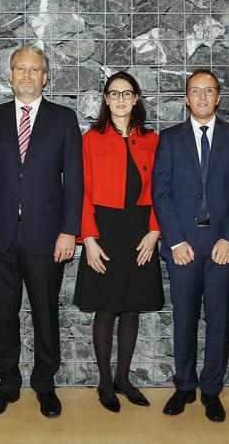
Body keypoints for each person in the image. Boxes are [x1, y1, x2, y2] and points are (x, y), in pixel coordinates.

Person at [0, 43, 83, 418]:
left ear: (45, 77)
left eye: (34, 69)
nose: (27, 75)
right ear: (10, 75)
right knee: (4, 312)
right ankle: (7, 383)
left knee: (45, 311)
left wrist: (69, 231)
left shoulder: (64, 119)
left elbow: (75, 180)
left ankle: (45, 383)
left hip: (47, 236)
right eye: (20, 68)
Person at [152, 69, 229, 422]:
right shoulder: (170, 138)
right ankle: (184, 386)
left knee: (218, 319)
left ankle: (211, 389)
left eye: (208, 91)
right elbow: (160, 192)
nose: (202, 97)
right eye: (195, 91)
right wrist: (175, 239)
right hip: (183, 244)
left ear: (218, 97)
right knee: (183, 318)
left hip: (222, 245)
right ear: (186, 97)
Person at [74, 71, 164, 413]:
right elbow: (81, 192)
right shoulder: (91, 139)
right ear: (106, 99)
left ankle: (123, 379)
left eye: (128, 94)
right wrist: (89, 240)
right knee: (107, 307)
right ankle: (104, 382)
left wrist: (155, 231)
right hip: (105, 230)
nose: (122, 99)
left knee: (132, 307)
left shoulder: (152, 140)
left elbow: (161, 191)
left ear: (136, 99)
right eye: (115, 94)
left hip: (141, 229)